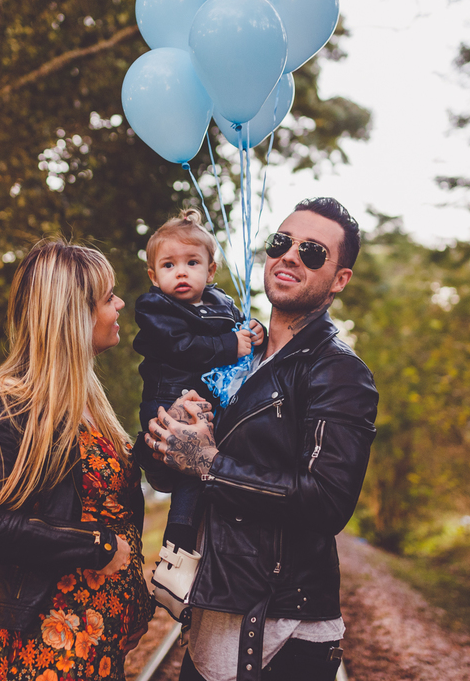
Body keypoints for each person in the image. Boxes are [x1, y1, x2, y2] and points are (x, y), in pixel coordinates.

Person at [144, 197, 378, 681]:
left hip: (281, 632)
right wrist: (167, 435)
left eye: (313, 252)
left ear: (339, 280)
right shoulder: (233, 355)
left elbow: (327, 503)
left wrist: (209, 462)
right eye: (282, 242)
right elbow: (168, 477)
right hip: (213, 614)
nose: (290, 255)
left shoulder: (339, 373)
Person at [0, 239, 177, 681]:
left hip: (95, 644)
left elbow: (107, 497)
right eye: (107, 297)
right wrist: (98, 546)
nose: (118, 305)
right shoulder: (12, 403)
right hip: (46, 649)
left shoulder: (87, 402)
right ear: (75, 314)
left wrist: (168, 433)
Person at [133, 209, 264, 554]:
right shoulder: (155, 308)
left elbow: (241, 330)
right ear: (153, 274)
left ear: (210, 270)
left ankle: (187, 545)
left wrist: (254, 331)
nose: (181, 272)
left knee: (200, 472)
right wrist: (228, 346)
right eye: (168, 265)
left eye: (192, 263)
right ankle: (176, 545)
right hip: (167, 400)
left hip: (208, 405)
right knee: (181, 468)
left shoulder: (223, 303)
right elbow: (180, 346)